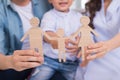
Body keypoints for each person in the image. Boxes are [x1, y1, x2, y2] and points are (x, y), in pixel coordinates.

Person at [29, 0, 83, 80]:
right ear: (50, 0)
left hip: (71, 63)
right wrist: (56, 39)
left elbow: (84, 36)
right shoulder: (49, 16)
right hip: (49, 61)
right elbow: (47, 33)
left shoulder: (79, 17)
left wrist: (80, 44)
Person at [0, 0, 51, 80]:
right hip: (12, 65)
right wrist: (10, 61)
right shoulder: (2, 9)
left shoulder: (47, 2)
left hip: (47, 61)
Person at [76, 0, 120, 80]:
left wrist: (107, 46)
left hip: (115, 53)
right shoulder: (93, 4)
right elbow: (88, 29)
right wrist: (87, 43)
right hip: (93, 53)